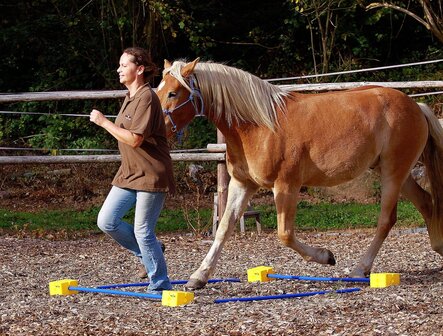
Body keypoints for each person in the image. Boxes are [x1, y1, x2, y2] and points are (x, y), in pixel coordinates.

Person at [90, 47, 175, 294]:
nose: (118, 69)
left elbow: (135, 139)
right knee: (106, 220)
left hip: (150, 173)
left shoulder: (147, 98)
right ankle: (151, 251)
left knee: (142, 230)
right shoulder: (130, 97)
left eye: (123, 65)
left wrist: (104, 122)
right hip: (129, 172)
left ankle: (160, 285)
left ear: (139, 69)